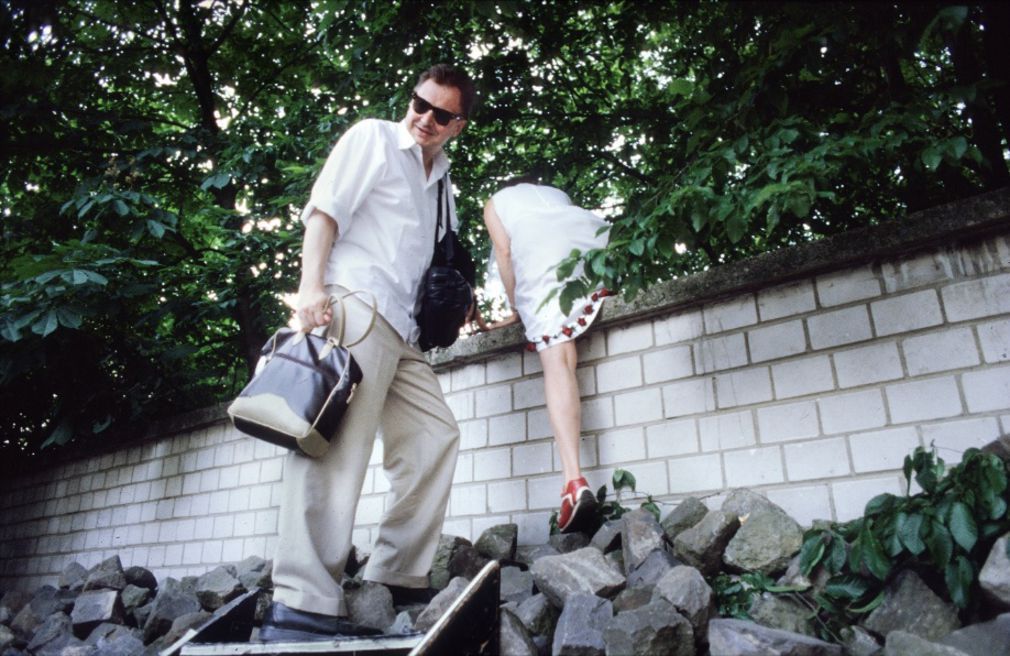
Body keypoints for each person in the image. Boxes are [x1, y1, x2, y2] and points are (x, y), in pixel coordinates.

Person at [259, 64, 475, 642]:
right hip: (355, 304)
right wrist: (310, 288)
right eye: (420, 104)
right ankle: (301, 599)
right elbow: (325, 212)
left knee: (434, 436)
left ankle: (396, 572)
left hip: (403, 329)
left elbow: (437, 262)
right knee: (333, 448)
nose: (425, 119)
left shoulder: (443, 184)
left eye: (441, 115)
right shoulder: (373, 138)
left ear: (458, 125)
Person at [482, 179, 611, 534]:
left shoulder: (494, 203)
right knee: (565, 351)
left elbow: (504, 253)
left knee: (557, 361)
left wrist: (518, 306)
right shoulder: (556, 194)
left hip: (540, 251)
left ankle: (573, 481)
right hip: (589, 239)